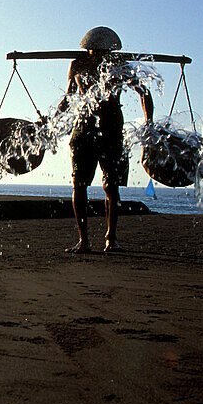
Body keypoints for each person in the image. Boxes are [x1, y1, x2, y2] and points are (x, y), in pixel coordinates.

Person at [58, 27, 153, 253]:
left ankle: (111, 238)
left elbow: (144, 93)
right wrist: (50, 122)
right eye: (94, 51)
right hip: (84, 126)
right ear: (87, 48)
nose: (98, 55)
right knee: (79, 183)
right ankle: (84, 240)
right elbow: (68, 98)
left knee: (111, 185)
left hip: (111, 126)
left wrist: (149, 122)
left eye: (102, 51)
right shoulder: (77, 65)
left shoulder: (120, 66)